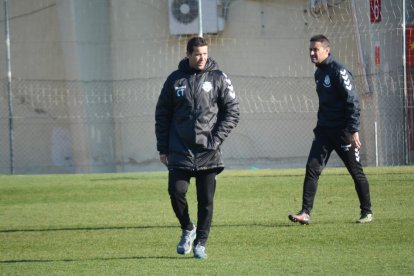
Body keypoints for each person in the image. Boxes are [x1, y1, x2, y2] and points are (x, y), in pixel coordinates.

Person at [155, 37, 240, 259]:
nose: (202, 58)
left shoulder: (218, 78)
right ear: (188, 55)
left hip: (208, 152)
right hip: (179, 150)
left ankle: (201, 242)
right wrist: (163, 148)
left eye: (205, 53)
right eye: (197, 54)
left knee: (206, 201)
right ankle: (187, 228)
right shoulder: (174, 80)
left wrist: (215, 139)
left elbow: (232, 111)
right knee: (176, 192)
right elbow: (162, 115)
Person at [288, 34, 373, 225]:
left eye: (315, 49)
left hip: (343, 132)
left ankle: (366, 211)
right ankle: (305, 213)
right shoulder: (319, 73)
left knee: (355, 171)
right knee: (312, 168)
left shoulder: (339, 71)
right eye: (310, 49)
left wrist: (353, 129)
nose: (311, 53)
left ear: (327, 50)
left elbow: (352, 100)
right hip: (324, 132)